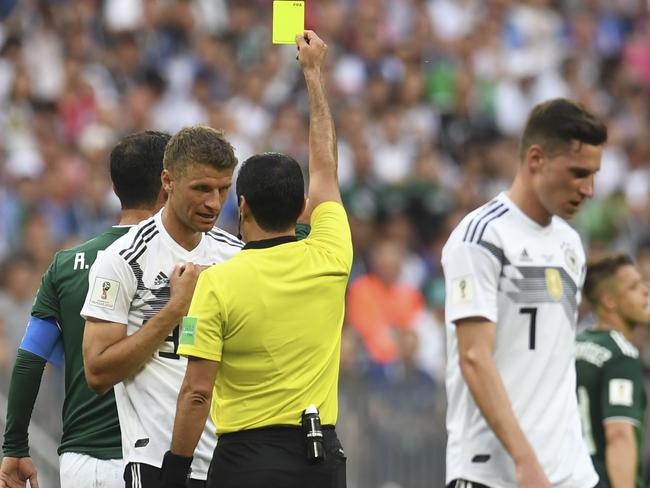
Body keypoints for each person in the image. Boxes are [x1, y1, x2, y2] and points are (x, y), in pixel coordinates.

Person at [159, 30, 352, 488]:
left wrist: (175, 473)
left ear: (240, 205)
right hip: (322, 461)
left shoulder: (217, 284)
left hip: (247, 462)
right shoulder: (332, 255)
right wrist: (313, 75)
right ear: (303, 206)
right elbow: (325, 166)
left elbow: (196, 393)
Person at [441, 98, 608, 488]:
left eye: (594, 175)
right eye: (578, 173)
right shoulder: (481, 237)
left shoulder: (570, 244)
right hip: (496, 472)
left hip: (570, 473)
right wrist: (525, 460)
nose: (589, 189)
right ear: (536, 159)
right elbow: (473, 357)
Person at [0, 130, 170, 488]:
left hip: (81, 464)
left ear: (115, 186)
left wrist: (14, 446)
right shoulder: (188, 260)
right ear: (167, 183)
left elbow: (30, 357)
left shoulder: (65, 264)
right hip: (154, 459)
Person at [80, 125, 241, 488]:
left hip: (231, 460)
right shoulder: (123, 258)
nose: (214, 203)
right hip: (156, 460)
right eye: (201, 188)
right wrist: (173, 309)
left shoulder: (236, 257)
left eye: (223, 189)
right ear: (167, 181)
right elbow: (98, 372)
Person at [576, 255, 649, 488]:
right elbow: (619, 434)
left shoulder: (574, 345)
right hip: (603, 480)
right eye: (634, 286)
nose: (646, 291)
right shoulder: (621, 355)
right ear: (609, 300)